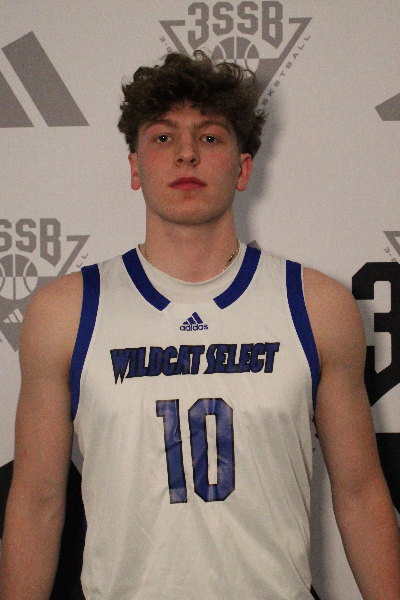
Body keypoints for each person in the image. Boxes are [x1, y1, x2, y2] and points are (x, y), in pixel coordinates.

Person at [0, 50, 399, 600]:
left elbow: (359, 493)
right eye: (163, 137)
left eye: (209, 137)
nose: (186, 153)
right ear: (135, 167)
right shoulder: (65, 311)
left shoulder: (316, 305)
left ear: (243, 168)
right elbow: (38, 502)